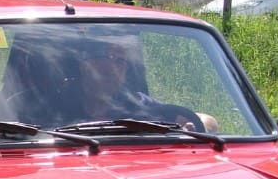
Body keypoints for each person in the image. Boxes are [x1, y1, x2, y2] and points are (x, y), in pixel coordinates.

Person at [73, 37, 219, 133]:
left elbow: (206, 120)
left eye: (120, 61)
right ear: (84, 65)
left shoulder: (138, 104)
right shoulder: (60, 104)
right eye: (106, 58)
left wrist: (192, 128)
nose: (113, 69)